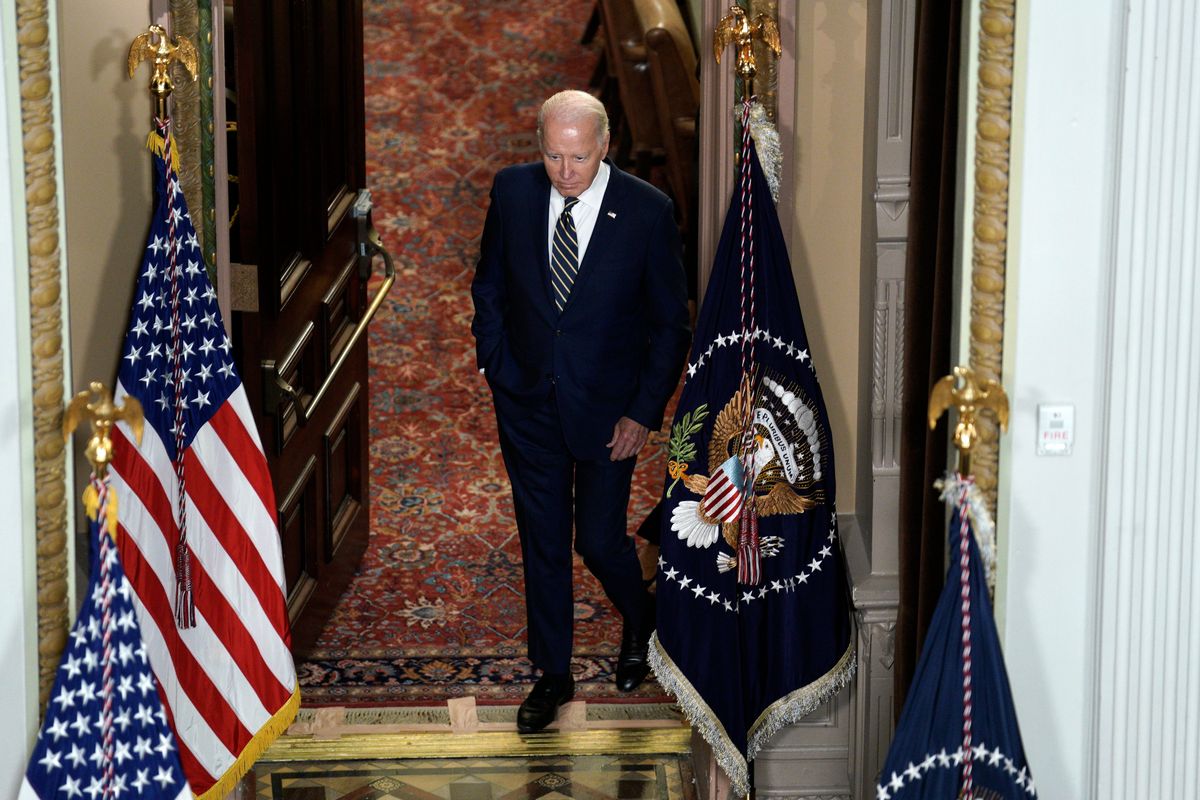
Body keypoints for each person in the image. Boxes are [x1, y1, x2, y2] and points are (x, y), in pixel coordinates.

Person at [471, 90, 690, 733]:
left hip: (608, 414)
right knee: (543, 541)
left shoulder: (648, 213)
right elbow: (489, 282)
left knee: (596, 539)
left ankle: (642, 618)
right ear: (540, 145)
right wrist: (495, 360)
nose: (564, 171)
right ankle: (553, 675)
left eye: (578, 157)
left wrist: (643, 414)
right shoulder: (512, 192)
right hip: (527, 402)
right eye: (553, 155)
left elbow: (669, 326)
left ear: (605, 147)